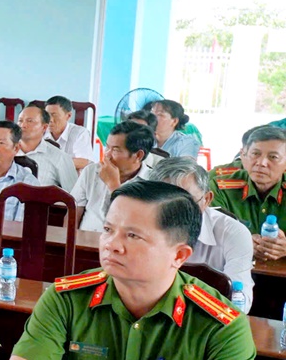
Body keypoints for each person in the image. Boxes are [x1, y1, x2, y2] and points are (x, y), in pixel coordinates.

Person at [4, 181, 256, 360]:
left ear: (179, 255)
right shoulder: (68, 297)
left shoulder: (221, 323)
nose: (112, 244)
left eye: (133, 236)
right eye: (108, 230)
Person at [149, 157, 254, 310]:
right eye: (164, 200)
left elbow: (238, 303)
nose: (174, 210)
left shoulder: (233, 233)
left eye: (185, 201)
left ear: (206, 200)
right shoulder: (136, 228)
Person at [210, 126, 286, 261]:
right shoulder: (219, 188)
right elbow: (207, 232)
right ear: (243, 156)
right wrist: (240, 242)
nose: (261, 163)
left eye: (273, 157)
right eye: (255, 154)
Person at [71, 120, 154, 232]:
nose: (107, 155)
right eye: (107, 147)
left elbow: (136, 223)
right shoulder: (91, 171)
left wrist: (113, 185)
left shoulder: (152, 182)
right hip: (83, 239)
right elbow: (73, 212)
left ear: (138, 155)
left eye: (115, 150)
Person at [16, 105, 78, 191]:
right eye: (20, 121)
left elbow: (74, 195)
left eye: (30, 121)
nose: (23, 125)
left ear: (44, 127)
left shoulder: (60, 158)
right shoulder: (5, 152)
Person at [44, 96, 98, 170]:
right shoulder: (40, 131)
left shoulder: (80, 133)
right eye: (47, 115)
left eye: (54, 115)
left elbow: (84, 161)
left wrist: (55, 163)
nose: (50, 120)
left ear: (68, 116)